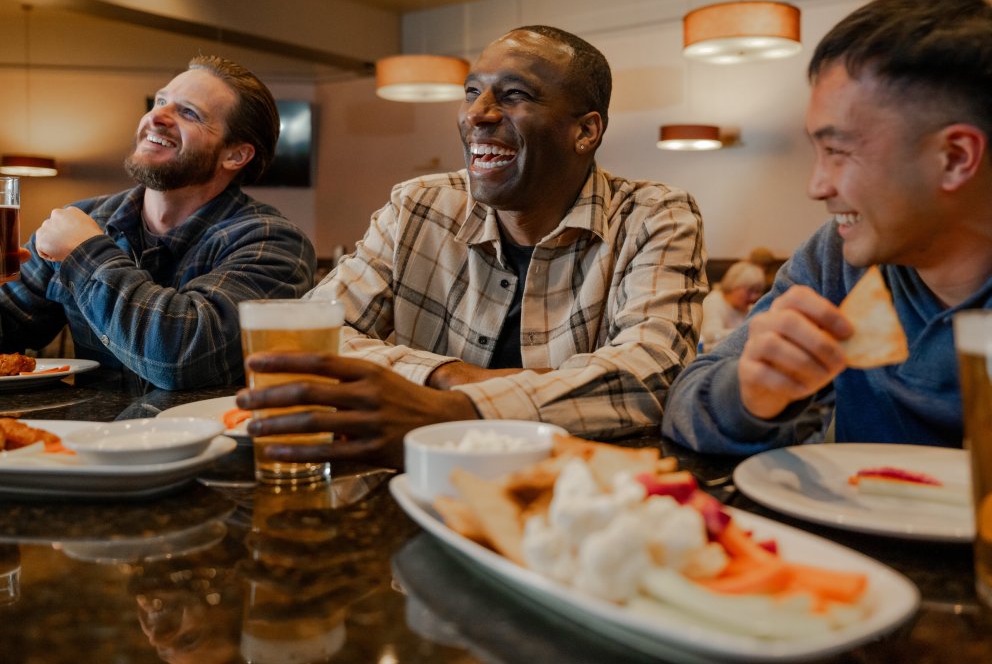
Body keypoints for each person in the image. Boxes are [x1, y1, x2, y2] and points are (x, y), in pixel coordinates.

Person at [238, 25, 706, 465]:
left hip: (575, 497)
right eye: (470, 92)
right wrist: (448, 376)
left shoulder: (654, 216)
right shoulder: (419, 205)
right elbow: (316, 334)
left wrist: (451, 411)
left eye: (514, 95)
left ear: (585, 131)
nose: (476, 114)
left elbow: (652, 374)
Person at [663, 0, 992, 455]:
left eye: (838, 151)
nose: (817, 186)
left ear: (954, 157)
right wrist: (751, 394)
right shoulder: (837, 258)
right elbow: (687, 402)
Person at [0, 56, 316, 390]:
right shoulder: (86, 219)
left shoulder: (274, 243)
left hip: (210, 440)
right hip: (83, 438)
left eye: (188, 113)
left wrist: (88, 253)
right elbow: (9, 325)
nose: (156, 116)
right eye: (161, 101)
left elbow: (182, 359)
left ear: (235, 155)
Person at [699, 261, 765, 352]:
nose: (754, 297)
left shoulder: (748, 307)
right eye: (750, 291)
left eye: (758, 292)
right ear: (735, 286)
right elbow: (710, 334)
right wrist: (747, 332)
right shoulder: (714, 301)